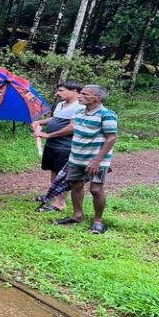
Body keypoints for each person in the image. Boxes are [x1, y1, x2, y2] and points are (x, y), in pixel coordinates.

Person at [53, 84, 118, 234]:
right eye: (81, 93)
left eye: (85, 94)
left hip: (97, 159)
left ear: (97, 98)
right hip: (77, 157)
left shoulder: (106, 114)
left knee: (96, 189)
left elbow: (111, 138)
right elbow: (74, 128)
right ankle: (77, 215)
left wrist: (97, 160)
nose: (80, 96)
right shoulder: (79, 111)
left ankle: (98, 221)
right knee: (76, 185)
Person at [32, 81, 84, 211]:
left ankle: (60, 203)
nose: (57, 93)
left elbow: (72, 127)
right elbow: (55, 119)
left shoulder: (80, 107)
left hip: (65, 145)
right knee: (54, 170)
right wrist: (40, 122)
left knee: (64, 173)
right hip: (53, 145)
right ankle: (53, 195)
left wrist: (49, 135)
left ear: (75, 92)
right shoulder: (61, 104)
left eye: (61, 90)